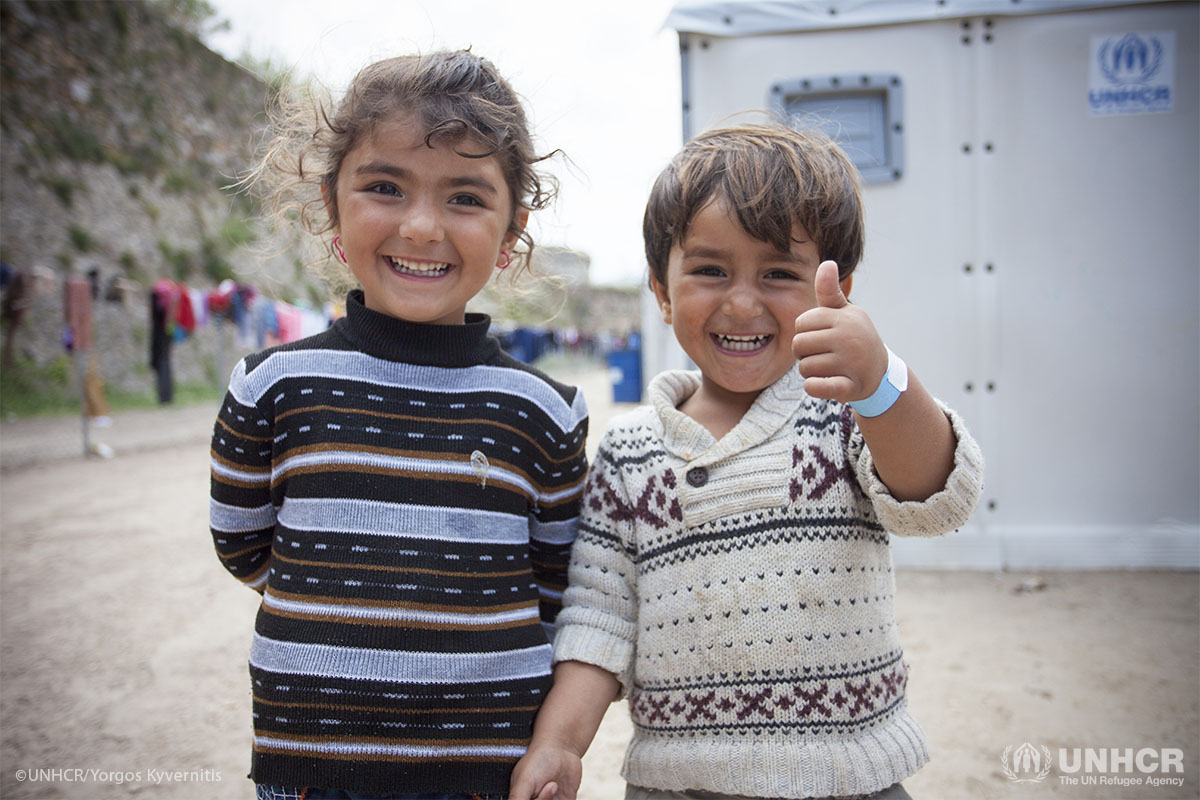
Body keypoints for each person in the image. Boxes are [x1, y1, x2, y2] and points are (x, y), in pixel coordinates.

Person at [510, 123, 985, 800]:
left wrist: (881, 383)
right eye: (709, 269)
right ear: (662, 289)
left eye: (779, 273)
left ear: (836, 291)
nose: (741, 301)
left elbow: (936, 495)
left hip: (849, 780)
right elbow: (598, 620)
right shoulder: (628, 452)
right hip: (678, 786)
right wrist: (558, 744)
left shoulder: (847, 413)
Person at [209, 50, 589, 800]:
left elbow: (553, 584)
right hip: (312, 769)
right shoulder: (272, 387)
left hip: (485, 773)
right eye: (385, 187)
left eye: (465, 198)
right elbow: (243, 543)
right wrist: (349, 597)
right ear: (331, 204)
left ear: (512, 230)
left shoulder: (545, 411)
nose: (420, 227)